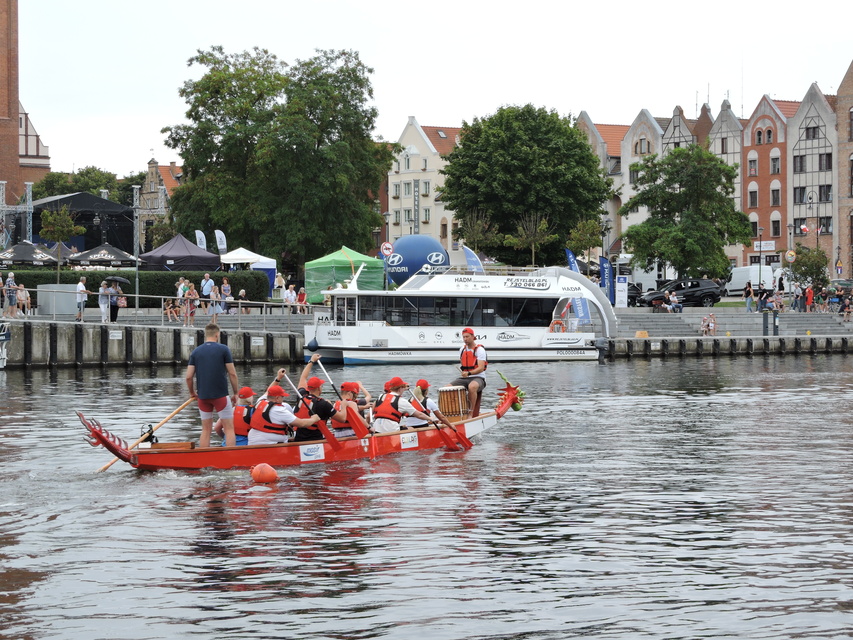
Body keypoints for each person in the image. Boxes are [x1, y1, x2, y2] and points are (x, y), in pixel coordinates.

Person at [185, 323, 240, 447]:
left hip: (203, 397)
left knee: (206, 430)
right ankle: (229, 459)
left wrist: (192, 393)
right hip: (221, 395)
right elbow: (232, 374)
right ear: (217, 334)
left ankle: (203, 460)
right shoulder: (224, 349)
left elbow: (188, 377)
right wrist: (236, 393)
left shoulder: (196, 352)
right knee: (229, 429)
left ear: (206, 335)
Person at [291, 354, 349, 441]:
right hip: (316, 440)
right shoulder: (323, 404)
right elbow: (342, 418)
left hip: (299, 438)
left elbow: (303, 377)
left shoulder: (301, 396)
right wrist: (343, 406)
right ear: (318, 388)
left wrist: (311, 361)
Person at [248, 376, 322, 445]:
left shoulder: (260, 401)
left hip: (252, 440)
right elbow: (301, 423)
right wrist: (313, 419)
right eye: (282, 396)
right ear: (277, 398)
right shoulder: (278, 410)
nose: (283, 399)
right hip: (270, 444)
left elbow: (269, 390)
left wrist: (278, 377)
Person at [451, 327, 488, 419]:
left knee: (472, 387)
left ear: (473, 336)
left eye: (467, 337)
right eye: (463, 337)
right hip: (465, 378)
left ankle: (470, 413)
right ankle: (453, 413)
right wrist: (465, 374)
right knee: (447, 388)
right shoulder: (462, 349)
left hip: (479, 378)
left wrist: (469, 373)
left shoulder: (479, 350)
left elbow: (481, 368)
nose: (465, 339)